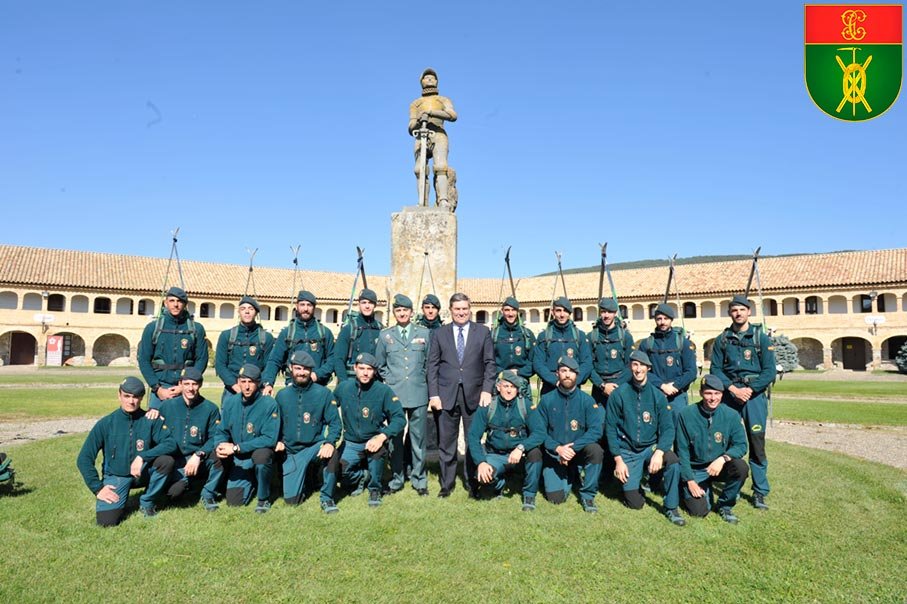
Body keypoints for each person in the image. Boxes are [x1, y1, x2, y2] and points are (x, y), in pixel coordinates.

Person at [76, 377, 176, 526]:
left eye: (136, 397)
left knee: (167, 461)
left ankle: (147, 500)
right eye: (127, 396)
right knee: (106, 522)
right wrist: (98, 488)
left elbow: (170, 443)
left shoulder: (149, 419)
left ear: (141, 398)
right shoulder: (106, 423)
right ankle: (120, 496)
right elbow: (84, 459)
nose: (131, 401)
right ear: (119, 395)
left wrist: (142, 456)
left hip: (142, 473)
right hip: (117, 476)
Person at [427, 293, 497, 498]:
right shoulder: (440, 333)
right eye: (457, 309)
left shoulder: (482, 332)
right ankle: (446, 485)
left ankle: (472, 483)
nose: (461, 312)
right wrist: (434, 395)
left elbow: (490, 364)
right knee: (446, 443)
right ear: (451, 310)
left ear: (470, 309)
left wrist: (486, 389)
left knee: (472, 441)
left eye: (465, 309)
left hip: (474, 395)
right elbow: (432, 366)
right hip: (446, 395)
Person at [710, 294, 776, 510]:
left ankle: (759, 492)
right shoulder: (722, 339)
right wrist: (732, 389)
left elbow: (769, 371)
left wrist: (749, 390)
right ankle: (730, 486)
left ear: (749, 311)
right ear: (730, 313)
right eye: (734, 310)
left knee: (757, 443)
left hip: (754, 398)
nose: (737, 313)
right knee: (724, 440)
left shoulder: (760, 338)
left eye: (741, 309)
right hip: (730, 396)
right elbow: (716, 369)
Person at [605, 351, 685, 526]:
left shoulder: (658, 396)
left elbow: (668, 428)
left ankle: (671, 507)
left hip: (650, 448)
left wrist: (659, 452)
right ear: (630, 367)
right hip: (628, 451)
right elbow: (610, 429)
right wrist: (618, 460)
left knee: (672, 461)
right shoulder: (619, 394)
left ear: (648, 368)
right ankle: (631, 483)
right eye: (634, 364)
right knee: (635, 503)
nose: (638, 369)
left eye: (642, 365)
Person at [324, 353, 406, 508]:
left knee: (377, 454)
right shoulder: (343, 388)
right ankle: (363, 476)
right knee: (339, 471)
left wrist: (382, 436)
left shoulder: (383, 391)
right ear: (355, 368)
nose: (365, 372)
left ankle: (375, 488)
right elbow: (330, 411)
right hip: (350, 442)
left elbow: (400, 418)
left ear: (374, 371)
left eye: (369, 369)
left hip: (373, 440)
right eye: (361, 368)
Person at [375, 294, 431, 496]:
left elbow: (429, 363)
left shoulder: (424, 334)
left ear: (411, 312)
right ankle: (397, 478)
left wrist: (422, 380)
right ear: (394, 313)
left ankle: (419, 479)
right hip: (395, 394)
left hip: (418, 393)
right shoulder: (385, 336)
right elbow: (379, 364)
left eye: (405, 310)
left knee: (418, 439)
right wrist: (390, 380)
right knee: (395, 440)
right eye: (398, 310)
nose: (402, 313)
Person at [676, 375, 750, 524]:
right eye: (709, 393)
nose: (713, 398)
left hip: (718, 466)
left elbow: (741, 445)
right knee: (699, 512)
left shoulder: (731, 415)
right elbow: (681, 451)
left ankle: (725, 505)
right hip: (695, 469)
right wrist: (689, 480)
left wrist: (723, 459)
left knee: (741, 467)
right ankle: (683, 486)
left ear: (722, 394)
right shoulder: (686, 414)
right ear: (701, 393)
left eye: (717, 393)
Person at [274, 351, 342, 513]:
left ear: (311, 371)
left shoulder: (324, 393)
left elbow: (335, 424)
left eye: (306, 369)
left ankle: (327, 498)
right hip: (291, 451)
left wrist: (329, 442)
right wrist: (278, 440)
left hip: (314, 448)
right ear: (291, 369)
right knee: (292, 501)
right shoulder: (282, 395)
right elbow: (274, 424)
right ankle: (306, 478)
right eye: (298, 368)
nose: (302, 372)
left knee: (331, 453)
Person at [466, 370, 543, 511]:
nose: (509, 390)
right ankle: (499, 484)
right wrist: (481, 462)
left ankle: (529, 494)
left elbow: (539, 432)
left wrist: (521, 447)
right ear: (498, 387)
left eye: (513, 387)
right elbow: (473, 436)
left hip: (520, 456)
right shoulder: (488, 406)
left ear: (518, 389)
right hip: (495, 454)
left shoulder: (525, 405)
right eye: (506, 386)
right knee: (482, 476)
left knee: (536, 453)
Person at [534, 357, 604, 512]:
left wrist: (573, 448)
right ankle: (571, 474)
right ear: (557, 373)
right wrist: (558, 449)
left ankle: (588, 496)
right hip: (554, 455)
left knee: (596, 450)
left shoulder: (587, 400)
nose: (567, 375)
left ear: (577, 376)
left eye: (572, 371)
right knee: (556, 499)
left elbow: (596, 430)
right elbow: (539, 431)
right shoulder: (546, 400)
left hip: (577, 452)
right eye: (563, 371)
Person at [213, 364, 279, 513]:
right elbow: (221, 431)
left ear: (258, 383)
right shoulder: (230, 402)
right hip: (238, 459)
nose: (247, 386)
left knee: (262, 457)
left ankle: (263, 498)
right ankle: (252, 481)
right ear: (238, 382)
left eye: (251, 382)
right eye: (243, 382)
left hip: (257, 453)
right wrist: (220, 445)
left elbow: (269, 438)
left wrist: (237, 448)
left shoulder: (269, 403)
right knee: (234, 502)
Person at [156, 367, 223, 511]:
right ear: (180, 384)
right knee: (173, 495)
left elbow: (214, 437)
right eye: (186, 384)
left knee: (220, 454)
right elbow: (157, 436)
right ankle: (186, 483)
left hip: (198, 457)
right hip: (174, 460)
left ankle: (208, 493)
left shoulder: (210, 408)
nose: (190, 388)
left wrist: (199, 454)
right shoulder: (167, 406)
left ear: (200, 385)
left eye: (194, 384)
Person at [137, 286, 208, 419]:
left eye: (180, 301)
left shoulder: (196, 329)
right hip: (160, 387)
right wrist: (157, 388)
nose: (175, 304)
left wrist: (186, 385)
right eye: (172, 300)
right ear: (165, 303)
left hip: (187, 388)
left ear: (185, 304)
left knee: (187, 426)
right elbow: (144, 360)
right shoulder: (152, 328)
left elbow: (202, 359)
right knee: (156, 427)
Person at [262, 290, 335, 393]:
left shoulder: (325, 333)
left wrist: (316, 375)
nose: (305, 309)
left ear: (314, 307)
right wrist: (268, 383)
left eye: (309, 305)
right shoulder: (287, 333)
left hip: (318, 386)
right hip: (292, 386)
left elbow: (332, 359)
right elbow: (275, 360)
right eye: (302, 305)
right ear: (297, 306)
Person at [636, 303, 696, 424]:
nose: (662, 322)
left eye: (666, 318)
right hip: (654, 393)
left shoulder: (682, 342)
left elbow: (691, 371)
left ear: (671, 320)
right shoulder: (646, 344)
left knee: (679, 433)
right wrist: (662, 386)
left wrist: (675, 386)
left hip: (677, 395)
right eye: (659, 319)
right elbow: (642, 371)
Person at [408, 68, 458, 208]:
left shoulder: (443, 100)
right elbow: (410, 126)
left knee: (441, 167)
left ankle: (443, 200)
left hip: (438, 133)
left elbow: (452, 115)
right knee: (419, 169)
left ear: (436, 81)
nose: (429, 79)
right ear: (421, 82)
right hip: (421, 135)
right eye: (426, 77)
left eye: (432, 77)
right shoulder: (415, 103)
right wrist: (418, 121)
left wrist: (431, 113)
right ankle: (422, 202)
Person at [215, 295, 274, 403]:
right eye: (243, 309)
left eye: (251, 309)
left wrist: (262, 384)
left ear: (256, 313)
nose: (247, 312)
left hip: (257, 390)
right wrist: (235, 385)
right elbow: (220, 365)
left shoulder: (266, 338)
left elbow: (269, 365)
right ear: (238, 312)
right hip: (232, 391)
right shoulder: (226, 336)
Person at [533, 297, 592, 395]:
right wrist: (555, 381)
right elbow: (538, 363)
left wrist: (574, 381)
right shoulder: (544, 336)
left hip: (573, 388)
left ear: (569, 313)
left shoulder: (579, 336)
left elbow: (587, 362)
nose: (562, 314)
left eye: (565, 311)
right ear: (553, 312)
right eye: (558, 310)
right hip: (550, 388)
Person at [334, 288, 384, 382]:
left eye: (370, 303)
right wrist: (344, 384)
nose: (367, 306)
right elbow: (338, 359)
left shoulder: (381, 329)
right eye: (364, 302)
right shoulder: (349, 329)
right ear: (359, 304)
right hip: (352, 381)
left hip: (374, 383)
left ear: (375, 305)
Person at [491, 296, 536, 398]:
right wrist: (504, 373)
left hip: (522, 383)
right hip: (500, 382)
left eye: (513, 310)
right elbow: (489, 361)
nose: (510, 314)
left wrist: (519, 372)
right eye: (507, 310)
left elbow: (533, 361)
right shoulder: (493, 335)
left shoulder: (527, 334)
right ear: (502, 311)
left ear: (517, 311)